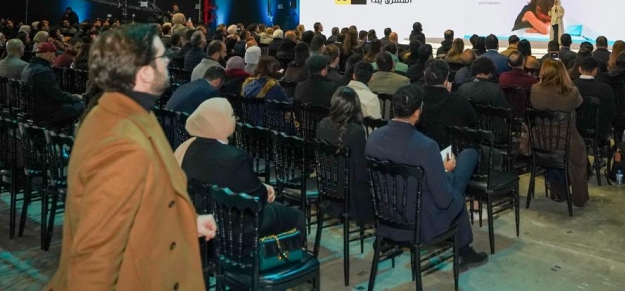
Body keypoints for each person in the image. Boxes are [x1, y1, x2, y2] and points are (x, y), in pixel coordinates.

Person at [47, 24, 214, 290]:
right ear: (145, 73)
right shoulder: (123, 145)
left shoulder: (122, 112)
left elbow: (141, 204)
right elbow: (94, 260)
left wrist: (184, 222)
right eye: (162, 57)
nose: (168, 61)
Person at [365, 85, 487, 270]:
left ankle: (465, 250)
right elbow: (443, 199)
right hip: (420, 222)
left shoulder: (373, 138)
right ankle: (465, 250)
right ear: (417, 113)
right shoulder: (426, 146)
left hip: (386, 216)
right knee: (461, 179)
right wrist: (445, 171)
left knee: (457, 178)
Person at [176, 98, 305, 240]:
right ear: (221, 122)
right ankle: (288, 253)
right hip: (237, 224)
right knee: (296, 216)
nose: (234, 120)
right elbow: (257, 199)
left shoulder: (187, 147)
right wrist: (263, 190)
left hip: (201, 216)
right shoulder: (235, 157)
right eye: (231, 116)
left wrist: (261, 186)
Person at [530, 59, 589, 207]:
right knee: (580, 158)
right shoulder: (572, 92)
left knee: (553, 159)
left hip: (541, 140)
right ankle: (579, 197)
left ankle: (558, 190)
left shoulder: (535, 90)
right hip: (566, 140)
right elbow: (578, 103)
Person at [316, 88, 373, 225]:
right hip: (350, 193)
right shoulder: (356, 132)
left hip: (327, 186)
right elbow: (361, 172)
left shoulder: (322, 124)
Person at [22, 41, 85, 125]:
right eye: (54, 54)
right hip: (48, 112)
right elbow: (58, 96)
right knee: (84, 105)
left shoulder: (27, 68)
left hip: (33, 110)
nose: (55, 57)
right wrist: (76, 97)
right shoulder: (43, 72)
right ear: (48, 54)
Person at [420, 60, 477, 140]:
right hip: (453, 143)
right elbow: (472, 121)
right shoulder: (458, 99)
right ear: (446, 79)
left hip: (423, 141)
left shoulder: (417, 97)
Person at [573, 57, 615, 137]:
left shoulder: (570, 86)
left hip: (574, 130)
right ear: (595, 71)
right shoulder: (606, 88)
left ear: (580, 69)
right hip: (599, 131)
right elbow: (611, 113)